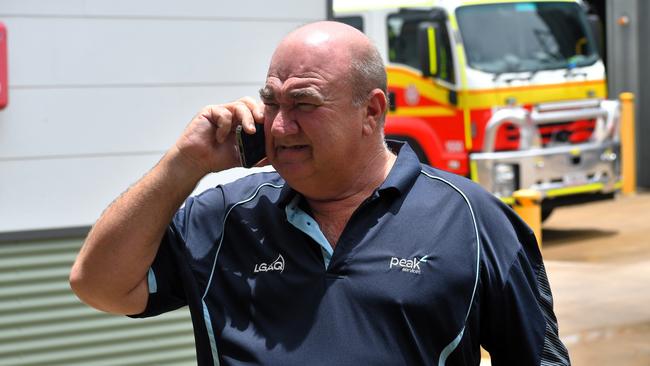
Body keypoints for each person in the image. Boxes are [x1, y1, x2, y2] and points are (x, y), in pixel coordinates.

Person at [70, 21, 570, 366]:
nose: (281, 125)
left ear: (371, 111)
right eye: (272, 101)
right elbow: (98, 286)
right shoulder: (225, 216)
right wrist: (184, 165)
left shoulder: (472, 218)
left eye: (304, 103)